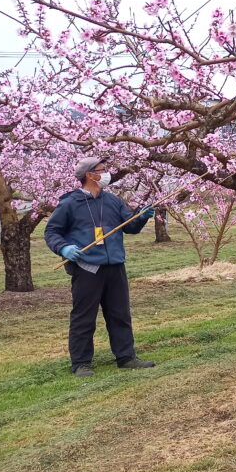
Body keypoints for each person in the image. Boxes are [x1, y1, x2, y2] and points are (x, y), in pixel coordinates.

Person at [44, 157, 157, 377]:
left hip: (115, 266)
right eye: (102, 170)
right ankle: (81, 363)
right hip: (87, 268)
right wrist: (64, 248)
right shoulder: (69, 203)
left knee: (120, 314)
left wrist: (141, 217)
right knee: (83, 317)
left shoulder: (113, 201)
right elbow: (51, 232)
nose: (107, 173)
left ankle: (126, 357)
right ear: (89, 174)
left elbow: (130, 227)